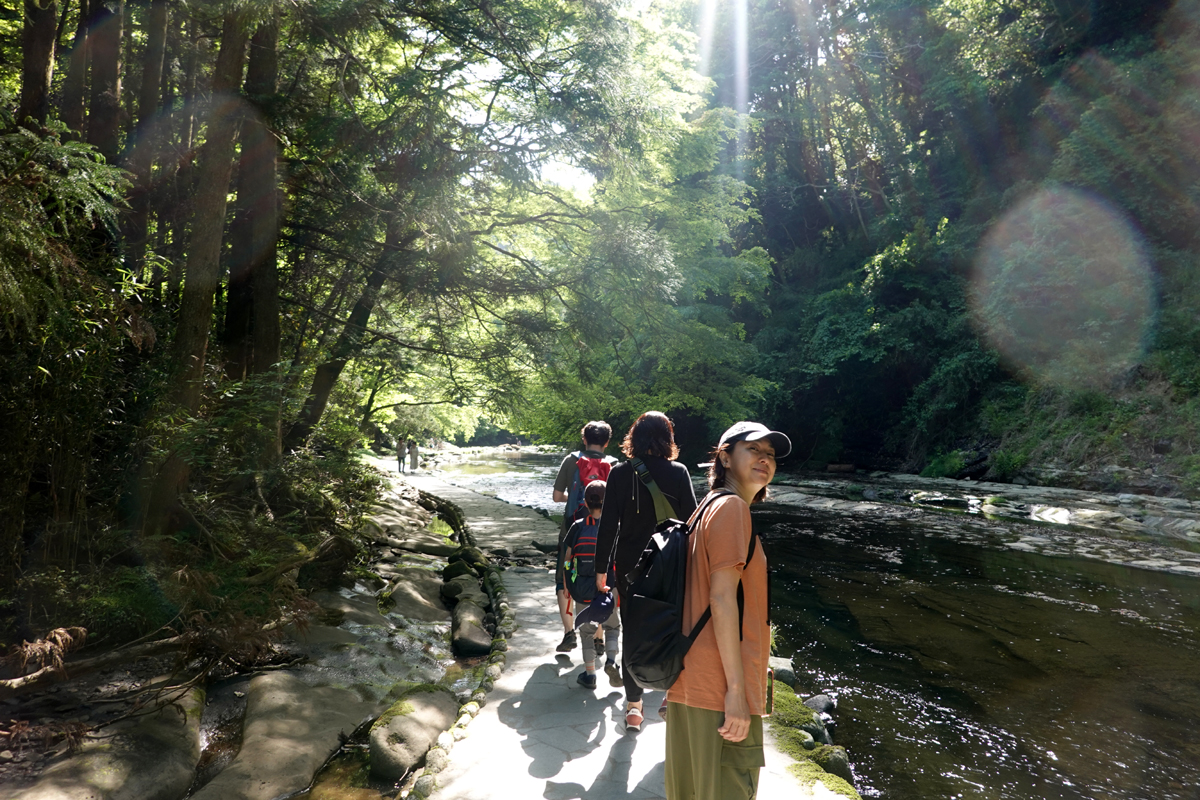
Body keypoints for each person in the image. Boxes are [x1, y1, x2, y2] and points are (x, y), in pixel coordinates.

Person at [664, 421, 790, 800]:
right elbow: (720, 600)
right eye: (754, 450)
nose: (765, 460)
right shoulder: (733, 509)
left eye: (770, 455)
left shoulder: (707, 507)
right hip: (719, 689)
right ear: (725, 456)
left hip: (691, 680)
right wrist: (737, 691)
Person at [594, 411, 697, 732]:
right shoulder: (679, 472)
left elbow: (608, 526)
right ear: (668, 438)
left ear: (634, 438)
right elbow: (692, 525)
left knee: (633, 632)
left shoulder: (619, 473)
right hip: (670, 568)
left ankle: (634, 707)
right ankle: (670, 695)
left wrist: (601, 571)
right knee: (672, 627)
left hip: (630, 568)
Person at [552, 421, 617, 652]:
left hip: (573, 528)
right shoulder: (614, 464)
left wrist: (574, 498)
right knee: (603, 580)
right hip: (605, 533)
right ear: (607, 442)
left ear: (584, 439)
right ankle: (598, 637)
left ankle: (569, 633)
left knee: (564, 577)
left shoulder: (571, 461)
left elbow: (557, 496)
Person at [562, 480, 620, 689]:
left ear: (586, 503)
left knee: (586, 631)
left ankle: (590, 674)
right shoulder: (615, 527)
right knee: (612, 626)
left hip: (583, 588)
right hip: (608, 586)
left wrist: (567, 582)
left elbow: (568, 558)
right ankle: (612, 661)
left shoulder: (577, 527)